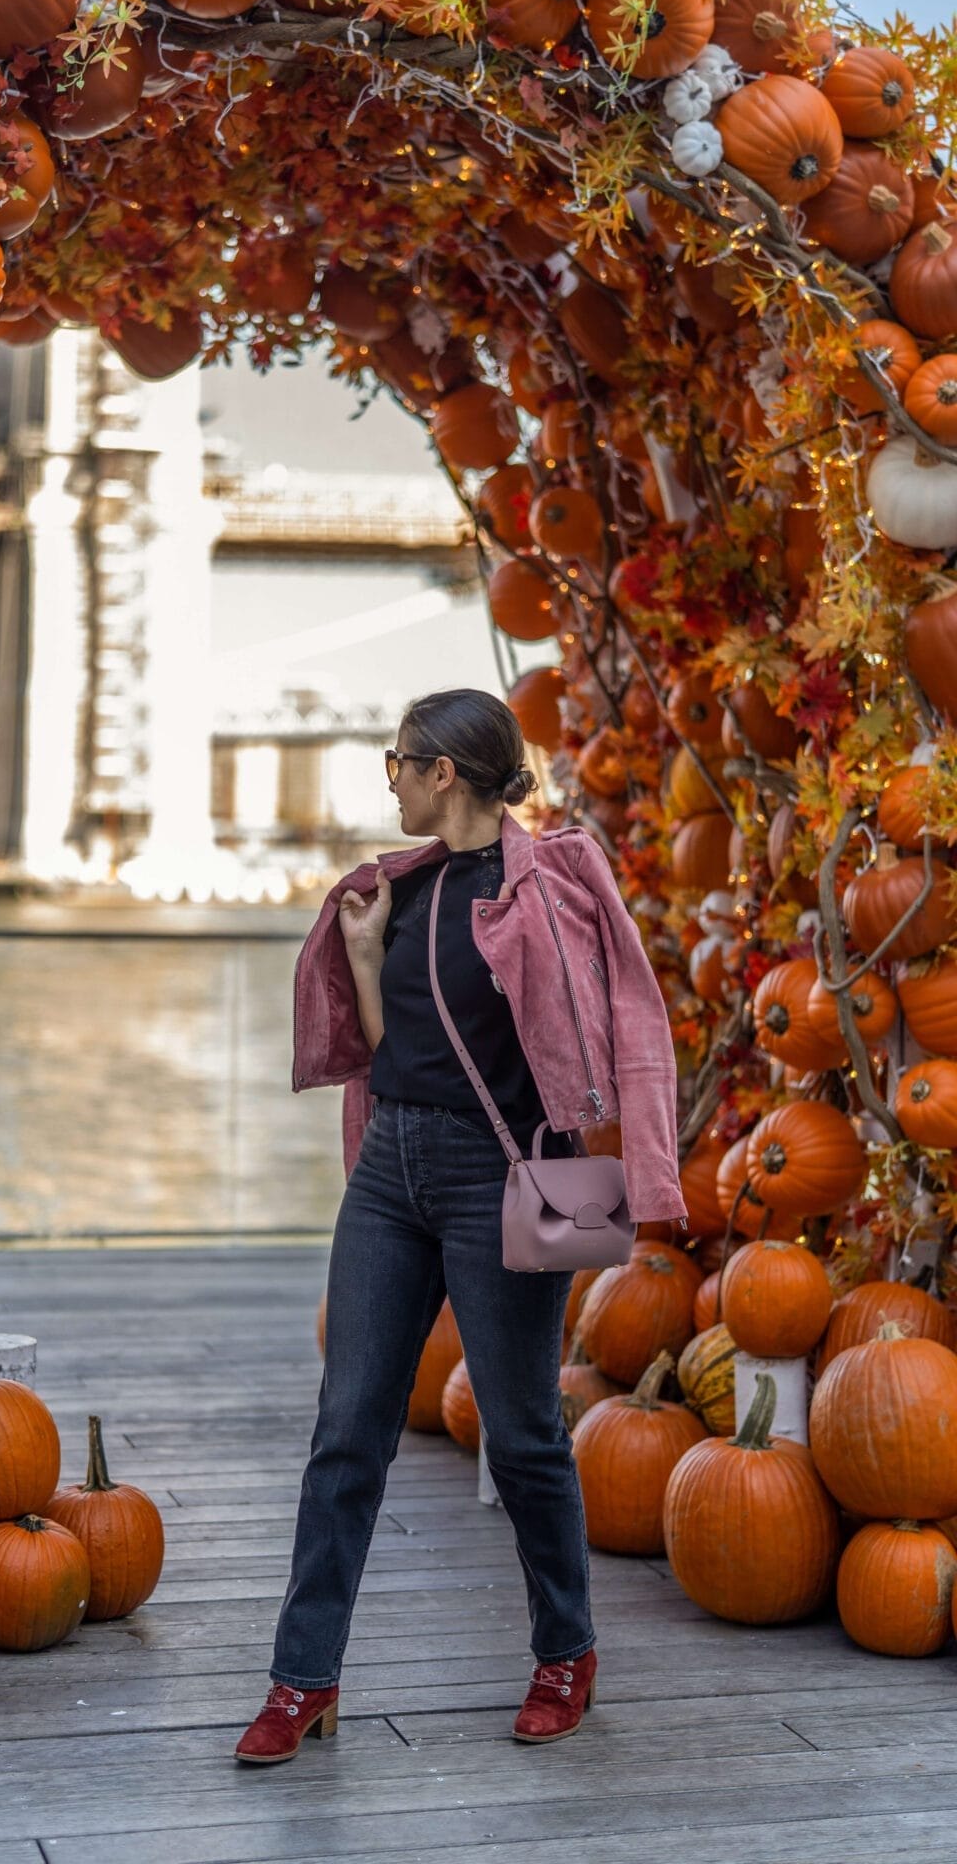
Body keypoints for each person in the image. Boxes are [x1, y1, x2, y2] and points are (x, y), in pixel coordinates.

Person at [233, 688, 686, 1765]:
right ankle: (302, 1681)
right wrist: (357, 956)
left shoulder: (547, 892)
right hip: (390, 1172)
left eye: (396, 761)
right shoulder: (401, 891)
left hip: (503, 1172)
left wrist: (644, 1167)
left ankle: (563, 1655)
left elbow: (608, 1027)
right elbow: (396, 1050)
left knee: (523, 1432)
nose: (385, 779)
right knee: (345, 1429)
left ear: (443, 773)